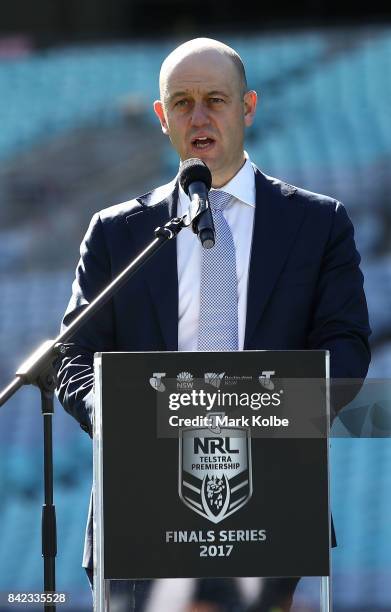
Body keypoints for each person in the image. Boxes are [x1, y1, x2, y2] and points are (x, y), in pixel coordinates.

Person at [56, 38, 371, 611]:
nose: (198, 117)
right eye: (181, 103)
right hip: (139, 510)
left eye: (215, 100)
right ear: (162, 117)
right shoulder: (116, 234)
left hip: (271, 507)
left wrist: (274, 414)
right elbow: (72, 358)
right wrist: (122, 415)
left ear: (247, 107)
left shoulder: (318, 225)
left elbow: (345, 348)